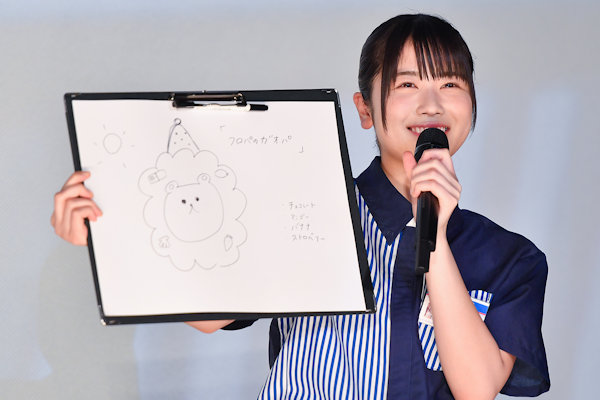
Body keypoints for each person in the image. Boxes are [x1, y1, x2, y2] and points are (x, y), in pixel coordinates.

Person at [52, 13, 549, 399]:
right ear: (364, 108)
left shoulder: (510, 258)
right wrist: (109, 233)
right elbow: (209, 316)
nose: (431, 104)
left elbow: (477, 388)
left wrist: (433, 233)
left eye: (450, 84)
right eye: (406, 84)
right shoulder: (306, 204)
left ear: (473, 104)